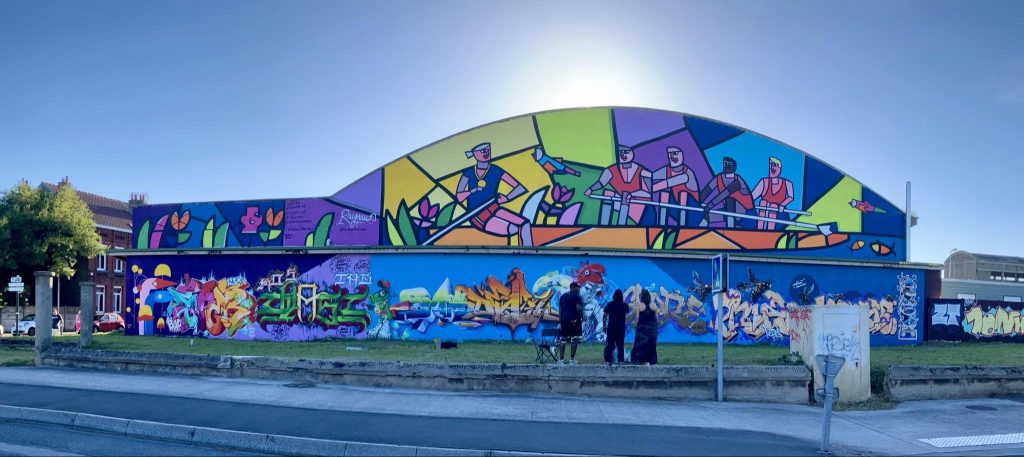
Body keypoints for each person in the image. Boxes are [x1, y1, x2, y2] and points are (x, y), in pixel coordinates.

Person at [455, 142, 534, 246]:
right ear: (475, 154)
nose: (486, 153)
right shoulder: (468, 173)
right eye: (482, 151)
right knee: (512, 228)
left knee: (524, 224)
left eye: (488, 150)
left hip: (494, 208)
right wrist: (472, 191)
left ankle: (528, 253)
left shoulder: (495, 170)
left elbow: (519, 188)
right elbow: (459, 197)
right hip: (476, 214)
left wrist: (507, 198)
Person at [584, 145, 653, 225]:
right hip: (623, 202)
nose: (623, 155)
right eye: (620, 153)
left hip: (641, 206)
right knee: (608, 194)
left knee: (625, 196)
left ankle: (621, 225)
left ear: (632, 152)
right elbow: (601, 183)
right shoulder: (610, 170)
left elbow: (648, 194)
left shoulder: (643, 172)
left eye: (626, 152)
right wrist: (590, 189)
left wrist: (631, 194)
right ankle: (604, 225)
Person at [699, 156, 753, 228]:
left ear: (734, 167)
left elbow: (724, 194)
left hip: (743, 211)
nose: (726, 166)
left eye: (728, 164)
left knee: (729, 200)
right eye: (725, 164)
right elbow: (706, 191)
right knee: (707, 217)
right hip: (728, 210)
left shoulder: (737, 181)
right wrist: (698, 202)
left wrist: (710, 205)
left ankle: (731, 227)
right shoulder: (719, 178)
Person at [651, 146, 699, 226]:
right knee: (665, 192)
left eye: (675, 153)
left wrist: (646, 190)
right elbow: (651, 177)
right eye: (670, 154)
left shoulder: (687, 174)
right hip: (677, 209)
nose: (673, 157)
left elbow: (668, 183)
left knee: (683, 194)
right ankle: (661, 225)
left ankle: (682, 226)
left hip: (693, 213)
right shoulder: (667, 170)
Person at [750, 157, 794, 230]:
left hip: (779, 214)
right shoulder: (764, 182)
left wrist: (782, 205)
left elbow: (791, 197)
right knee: (763, 202)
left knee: (773, 206)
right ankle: (759, 229)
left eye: (774, 165)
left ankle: (770, 230)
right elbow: (751, 198)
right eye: (770, 165)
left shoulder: (787, 183)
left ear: (780, 168)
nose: (772, 168)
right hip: (764, 210)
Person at [555, 282, 584, 365]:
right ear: (574, 287)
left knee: (563, 339)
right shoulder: (577, 296)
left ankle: (561, 360)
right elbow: (578, 308)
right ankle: (572, 359)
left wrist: (560, 322)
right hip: (574, 321)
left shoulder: (563, 296)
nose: (579, 289)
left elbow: (560, 311)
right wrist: (582, 312)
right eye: (578, 287)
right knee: (574, 339)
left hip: (564, 320)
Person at [629, 289, 659, 365]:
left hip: (642, 329)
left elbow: (637, 318)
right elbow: (656, 318)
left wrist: (636, 326)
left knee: (640, 345)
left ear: (642, 296)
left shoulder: (639, 305)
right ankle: (651, 360)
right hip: (652, 329)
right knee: (651, 345)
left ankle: (639, 360)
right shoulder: (654, 305)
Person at [602, 289, 629, 365]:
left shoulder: (610, 304)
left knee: (610, 344)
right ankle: (621, 361)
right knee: (620, 344)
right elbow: (627, 314)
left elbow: (604, 316)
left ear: (614, 296)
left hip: (611, 327)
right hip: (621, 327)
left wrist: (604, 326)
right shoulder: (625, 305)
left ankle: (608, 361)